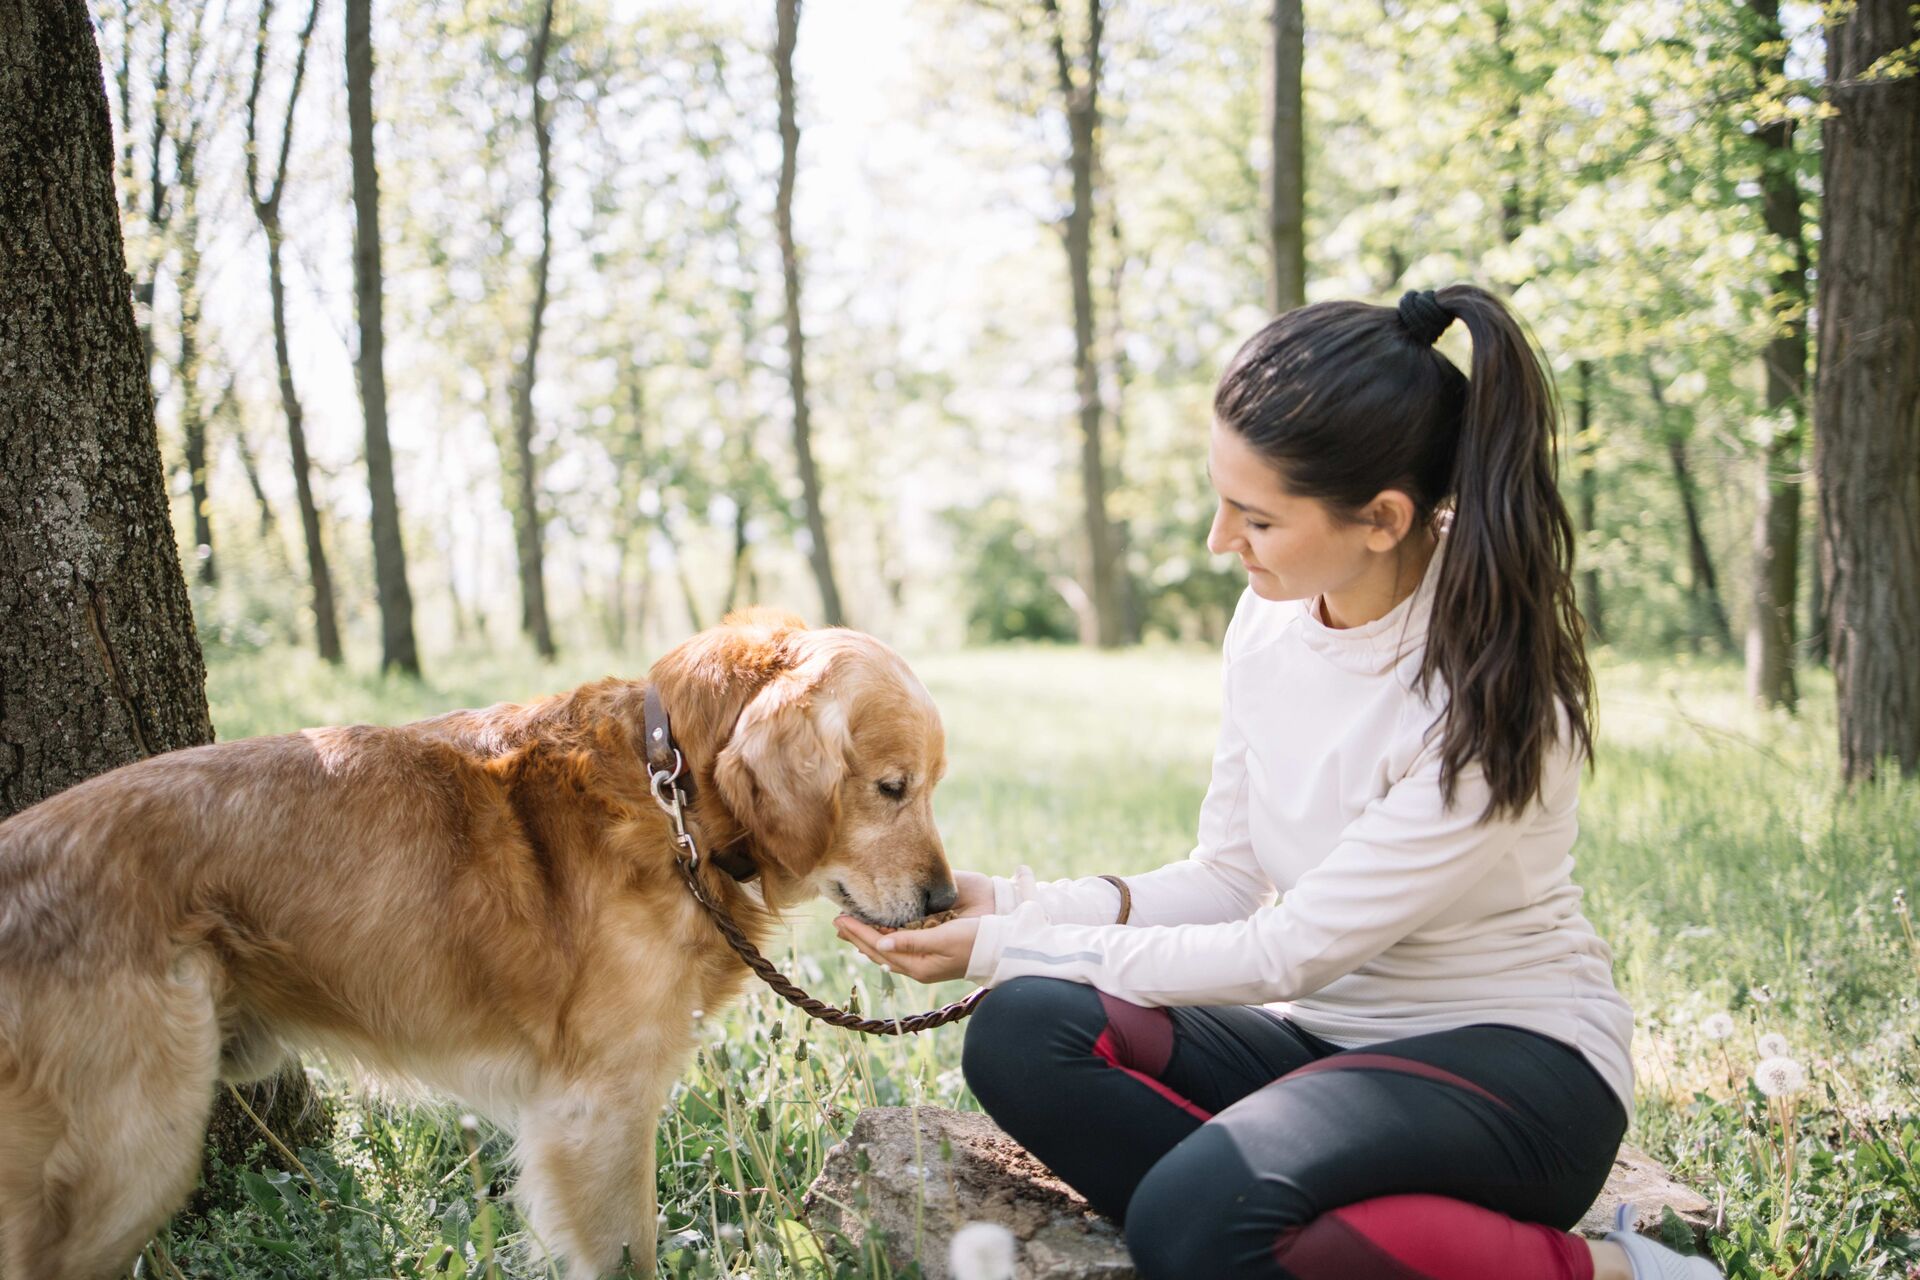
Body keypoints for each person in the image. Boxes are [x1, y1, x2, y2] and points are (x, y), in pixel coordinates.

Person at [835, 287, 1721, 1280]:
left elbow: (1286, 949)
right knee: (1023, 1023)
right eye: (1222, 499)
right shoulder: (1268, 621)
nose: (1221, 540)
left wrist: (1006, 941)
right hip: (1327, 1050)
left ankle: (1623, 1268)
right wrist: (1023, 908)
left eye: (1256, 516)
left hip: (1516, 1078)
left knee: (1190, 1211)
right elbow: (1227, 873)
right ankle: (1266, 1231)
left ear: (1383, 518)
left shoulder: (1491, 695)